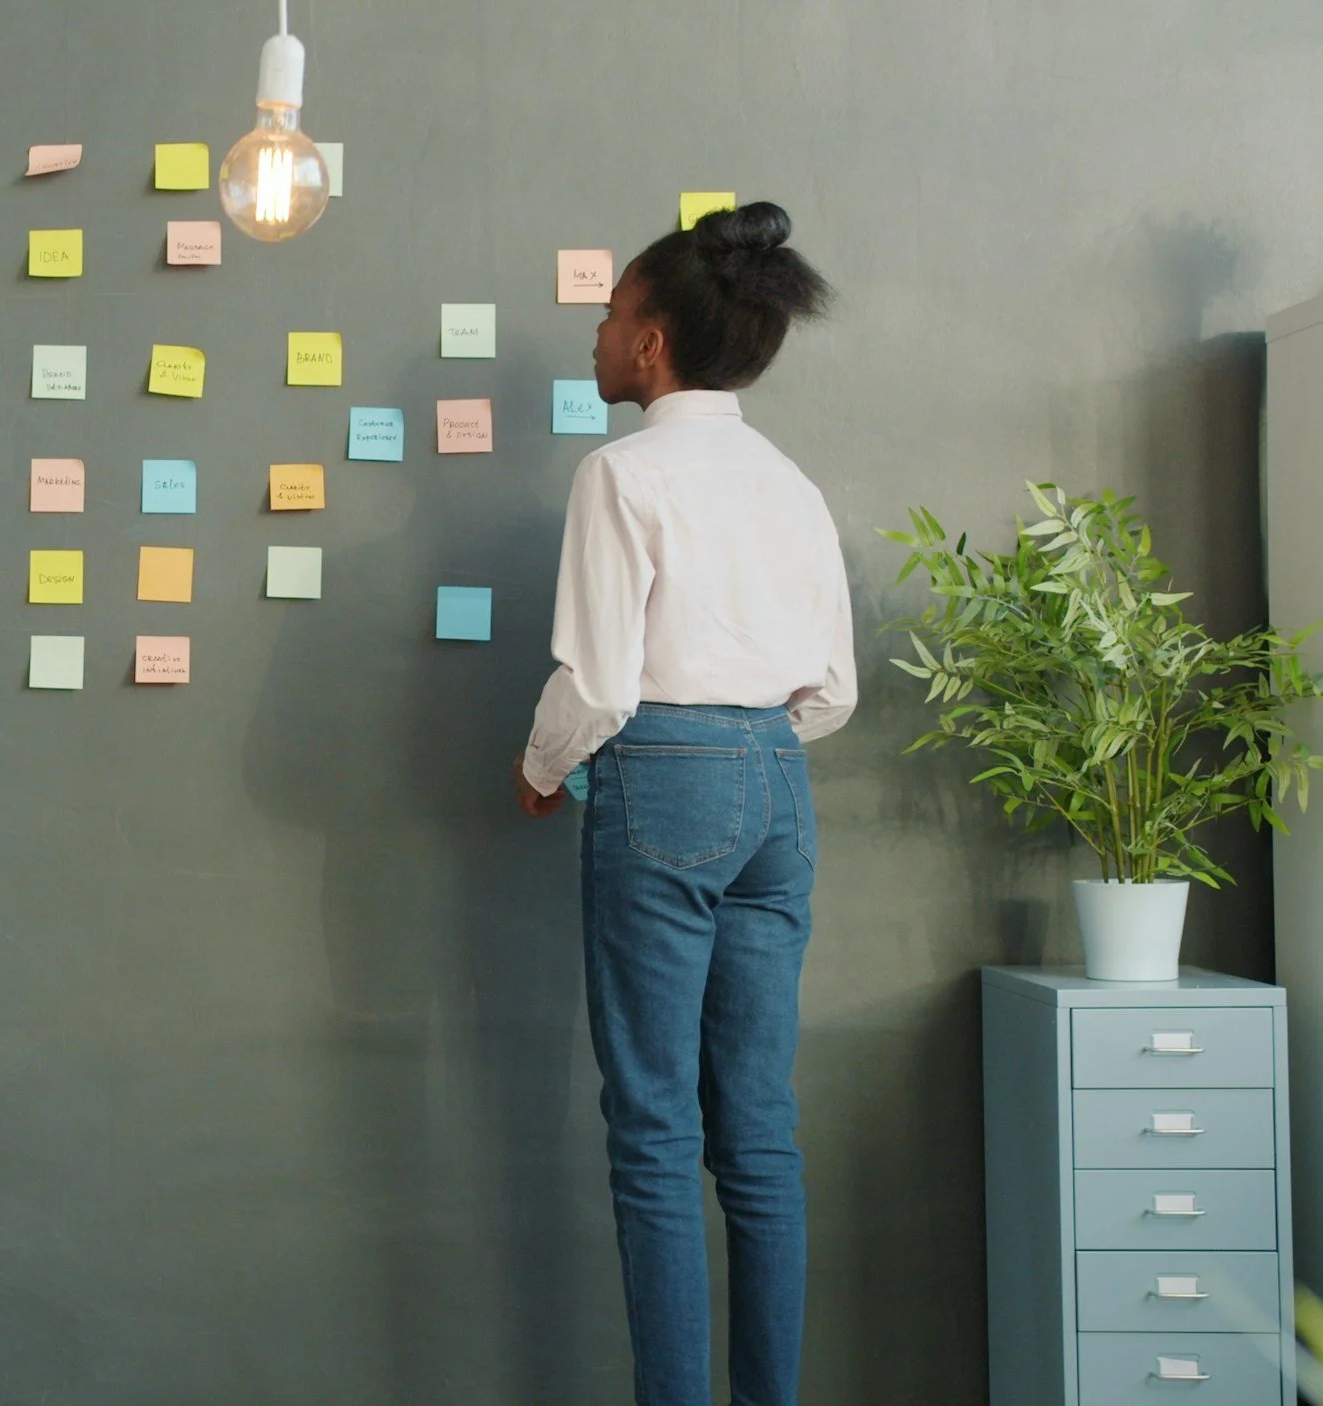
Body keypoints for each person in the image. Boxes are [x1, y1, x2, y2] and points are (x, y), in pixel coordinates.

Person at [513, 201, 849, 1406]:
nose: (598, 339)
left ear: (651, 343)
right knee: (756, 1134)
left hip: (662, 778)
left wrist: (544, 767)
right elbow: (833, 690)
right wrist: (746, 741)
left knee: (654, 1133)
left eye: (609, 319)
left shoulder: (622, 472)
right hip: (778, 786)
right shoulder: (791, 482)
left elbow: (597, 683)